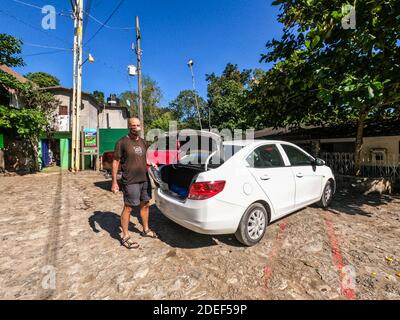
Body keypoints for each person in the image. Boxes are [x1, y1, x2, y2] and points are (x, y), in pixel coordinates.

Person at [111, 117, 158, 249]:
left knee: (145, 205)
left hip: (144, 179)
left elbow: (143, 158)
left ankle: (146, 230)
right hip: (130, 181)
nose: (136, 127)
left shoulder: (143, 142)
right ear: (129, 126)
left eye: (138, 125)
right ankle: (125, 236)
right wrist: (114, 182)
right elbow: (115, 161)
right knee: (129, 207)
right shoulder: (122, 142)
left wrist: (150, 162)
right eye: (133, 125)